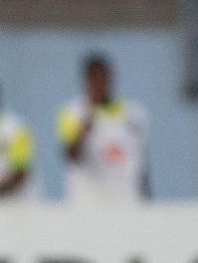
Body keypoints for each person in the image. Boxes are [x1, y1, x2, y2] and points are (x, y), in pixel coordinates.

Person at [57, 54, 150, 204]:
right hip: (89, 203)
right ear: (87, 80)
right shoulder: (72, 113)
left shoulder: (133, 113)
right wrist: (87, 122)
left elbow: (140, 162)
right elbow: (71, 155)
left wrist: (146, 199)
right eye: (95, 78)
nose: (100, 83)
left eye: (104, 77)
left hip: (126, 201)